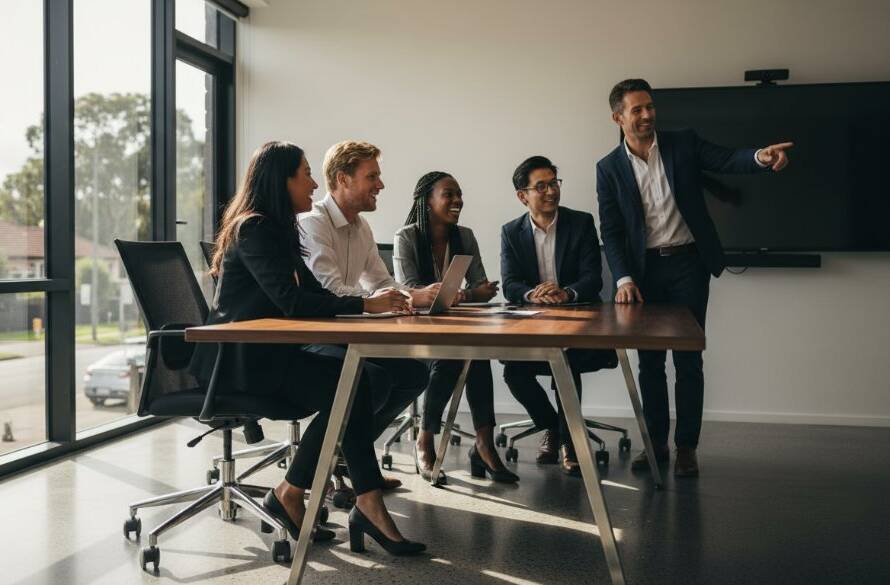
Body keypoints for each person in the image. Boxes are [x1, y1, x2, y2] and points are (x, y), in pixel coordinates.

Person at [189, 141, 424, 555]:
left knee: (357, 379)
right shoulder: (254, 227)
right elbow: (291, 302)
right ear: (282, 181)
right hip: (239, 363)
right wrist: (365, 305)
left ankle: (300, 493)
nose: (314, 184)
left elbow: (314, 293)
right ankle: (338, 499)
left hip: (271, 357)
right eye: (305, 174)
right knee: (353, 382)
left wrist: (369, 307)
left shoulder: (278, 231)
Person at [596, 78, 792, 477]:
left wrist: (760, 157)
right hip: (644, 274)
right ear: (618, 117)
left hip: (688, 265)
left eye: (650, 107)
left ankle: (686, 447)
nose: (648, 115)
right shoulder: (608, 168)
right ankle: (655, 445)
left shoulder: (683, 143)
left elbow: (726, 159)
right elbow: (611, 229)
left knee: (689, 361)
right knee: (650, 364)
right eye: (638, 109)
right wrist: (623, 279)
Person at [299, 140, 432, 473]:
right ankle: (328, 466)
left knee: (414, 373)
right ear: (344, 179)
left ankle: (349, 455)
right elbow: (331, 290)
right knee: (373, 379)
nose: (381, 185)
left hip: (347, 335)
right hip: (314, 336)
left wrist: (417, 295)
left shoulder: (361, 227)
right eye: (372, 176)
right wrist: (374, 302)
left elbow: (379, 282)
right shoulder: (312, 223)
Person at [393, 171, 517, 484]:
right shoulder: (406, 237)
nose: (457, 200)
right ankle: (425, 438)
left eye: (459, 194)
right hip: (416, 332)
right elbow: (408, 291)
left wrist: (474, 292)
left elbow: (479, 285)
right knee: (453, 357)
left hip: (453, 326)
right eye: (449, 194)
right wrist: (457, 294)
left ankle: (484, 444)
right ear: (427, 200)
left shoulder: (465, 236)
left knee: (476, 353)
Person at [501, 156, 616, 476]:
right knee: (513, 372)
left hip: (579, 324)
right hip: (534, 325)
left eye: (554, 183)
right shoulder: (511, 232)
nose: (551, 191)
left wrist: (566, 293)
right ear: (523, 195)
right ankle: (552, 426)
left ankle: (569, 442)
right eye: (542, 186)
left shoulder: (580, 223)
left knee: (566, 361)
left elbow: (593, 277)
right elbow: (510, 284)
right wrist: (532, 293)